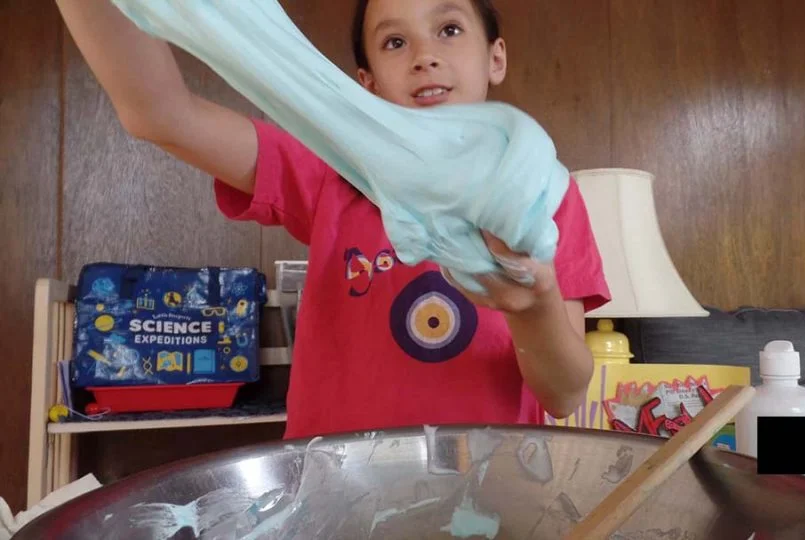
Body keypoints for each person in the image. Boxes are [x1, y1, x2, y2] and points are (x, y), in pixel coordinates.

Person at [56, 0, 611, 439]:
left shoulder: (548, 198)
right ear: (365, 84)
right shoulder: (331, 179)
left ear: (496, 56)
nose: (424, 55)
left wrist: (534, 306)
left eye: (448, 29)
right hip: (337, 502)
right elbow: (159, 113)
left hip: (492, 502)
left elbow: (564, 396)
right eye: (395, 41)